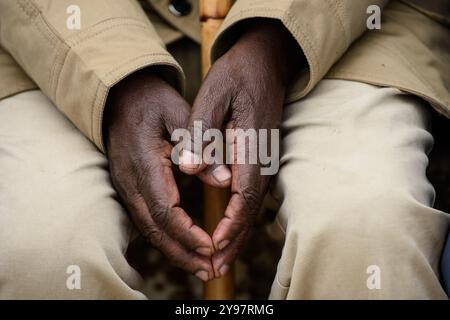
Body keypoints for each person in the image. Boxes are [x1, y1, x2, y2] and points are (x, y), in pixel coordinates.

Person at [0, 0, 448, 299]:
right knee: (43, 252)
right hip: (52, 32)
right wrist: (112, 79)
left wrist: (279, 37)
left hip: (353, 24)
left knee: (364, 231)